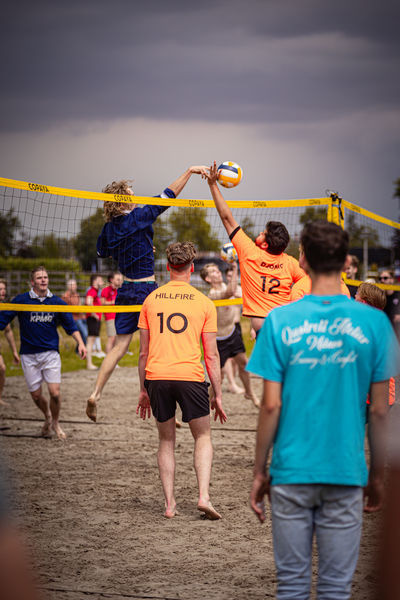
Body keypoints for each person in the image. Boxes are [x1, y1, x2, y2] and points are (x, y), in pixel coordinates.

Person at [248, 221, 400, 599]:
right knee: (335, 588)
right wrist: (378, 479)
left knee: (293, 586)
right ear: (348, 261)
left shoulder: (280, 320)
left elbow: (270, 405)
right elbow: (381, 413)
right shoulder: (376, 324)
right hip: (346, 472)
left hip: (291, 470)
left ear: (303, 260)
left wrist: (257, 471)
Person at [86, 165, 209, 421]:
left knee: (120, 346)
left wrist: (139, 247)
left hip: (124, 290)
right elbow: (169, 194)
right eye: (132, 196)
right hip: (146, 291)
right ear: (124, 203)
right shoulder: (139, 217)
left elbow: (103, 252)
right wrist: (189, 171)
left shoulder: (108, 229)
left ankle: (96, 393)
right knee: (151, 350)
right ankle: (158, 402)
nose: (136, 198)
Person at [136, 242, 227, 520]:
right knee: (203, 436)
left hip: (157, 376)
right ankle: (203, 497)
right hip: (190, 377)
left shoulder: (151, 299)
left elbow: (143, 353)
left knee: (166, 441)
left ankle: (170, 504)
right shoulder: (204, 302)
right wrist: (218, 394)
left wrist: (143, 389)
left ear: (167, 267)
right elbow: (211, 356)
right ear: (192, 267)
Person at [205, 161, 306, 334]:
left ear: (265, 244)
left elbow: (226, 218)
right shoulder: (291, 263)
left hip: (263, 326)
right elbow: (309, 282)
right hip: (285, 324)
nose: (259, 232)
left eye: (262, 233)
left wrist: (213, 184)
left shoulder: (249, 252)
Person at [0, 267, 86, 439]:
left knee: (55, 393)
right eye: (39, 278)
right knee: (37, 396)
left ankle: (55, 422)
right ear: (33, 282)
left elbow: (70, 325)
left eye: (45, 277)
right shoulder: (21, 300)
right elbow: (3, 320)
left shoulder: (57, 302)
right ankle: (46, 415)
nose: (43, 280)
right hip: (28, 355)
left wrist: (81, 343)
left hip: (50, 354)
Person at [200, 261, 259, 407]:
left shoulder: (226, 286)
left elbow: (241, 294)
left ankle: (249, 393)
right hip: (219, 339)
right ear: (208, 279)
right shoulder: (213, 295)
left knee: (243, 363)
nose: (218, 272)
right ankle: (206, 405)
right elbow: (230, 293)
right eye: (213, 271)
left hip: (233, 333)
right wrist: (234, 267)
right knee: (217, 375)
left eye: (217, 270)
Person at [355, 282, 396, 419]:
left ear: (363, 302)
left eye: (357, 294)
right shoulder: (379, 322)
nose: (354, 296)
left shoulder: (369, 327)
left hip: (376, 397)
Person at [0, 279, 20, 405]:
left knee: (2, 369)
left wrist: (14, 351)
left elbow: (8, 331)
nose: (2, 292)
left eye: (3, 289)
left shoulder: (3, 307)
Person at [101, 273, 123, 355]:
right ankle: (108, 359)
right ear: (111, 279)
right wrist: (113, 302)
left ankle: (112, 360)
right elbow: (102, 302)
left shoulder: (120, 290)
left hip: (119, 317)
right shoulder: (106, 290)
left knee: (117, 340)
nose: (120, 281)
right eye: (118, 279)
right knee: (112, 338)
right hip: (110, 317)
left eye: (121, 279)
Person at [62, 278, 88, 346]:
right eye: (73, 285)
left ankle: (80, 349)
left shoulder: (77, 295)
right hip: (74, 318)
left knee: (86, 334)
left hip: (82, 317)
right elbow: (65, 310)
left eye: (75, 285)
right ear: (69, 287)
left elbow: (80, 306)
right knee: (85, 334)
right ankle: (79, 350)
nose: (75, 287)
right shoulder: (65, 296)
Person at [85, 274, 104, 370]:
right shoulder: (91, 290)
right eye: (100, 280)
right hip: (92, 319)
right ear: (94, 281)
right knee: (90, 341)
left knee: (91, 341)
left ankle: (90, 363)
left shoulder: (96, 291)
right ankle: (89, 364)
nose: (102, 282)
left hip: (95, 319)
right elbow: (88, 303)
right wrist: (94, 314)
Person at [380, 270, 400, 341]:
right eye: (380, 278)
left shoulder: (398, 294)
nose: (382, 280)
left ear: (392, 280)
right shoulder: (380, 296)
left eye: (385, 278)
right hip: (385, 333)